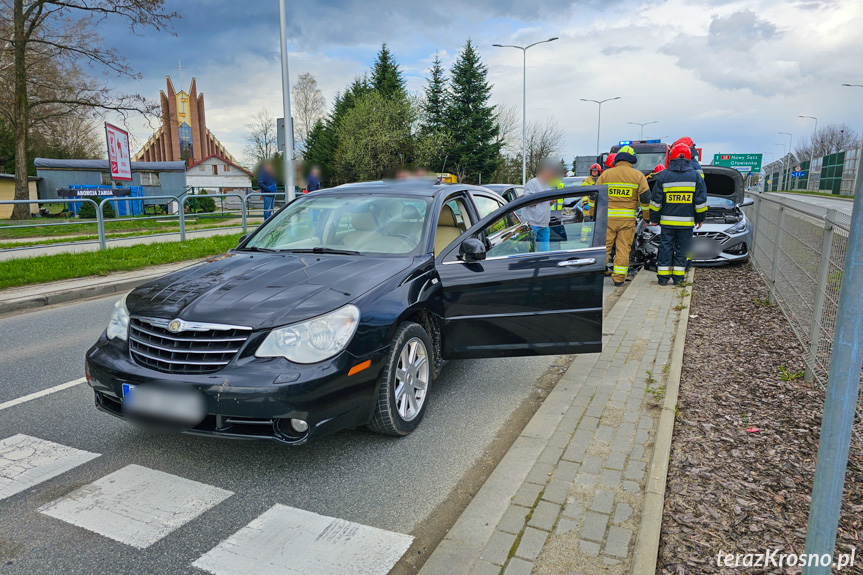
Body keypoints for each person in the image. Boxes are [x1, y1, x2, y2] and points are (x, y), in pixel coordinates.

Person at [649, 143, 707, 285]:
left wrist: (654, 219)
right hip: (686, 223)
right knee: (683, 249)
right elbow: (700, 201)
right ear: (688, 157)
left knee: (665, 247)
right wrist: (700, 218)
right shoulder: (695, 176)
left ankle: (663, 279)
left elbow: (656, 201)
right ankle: (678, 279)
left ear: (671, 157)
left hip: (667, 223)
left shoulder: (663, 176)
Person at [596, 145, 650, 286]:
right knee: (623, 249)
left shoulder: (605, 175)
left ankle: (595, 276)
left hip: (606, 220)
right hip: (627, 222)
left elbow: (594, 197)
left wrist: (592, 215)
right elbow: (645, 200)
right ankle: (618, 279)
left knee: (604, 248)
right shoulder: (638, 176)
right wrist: (647, 217)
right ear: (633, 160)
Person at [522, 159, 562, 252]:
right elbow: (527, 201)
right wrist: (543, 198)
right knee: (530, 253)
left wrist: (551, 202)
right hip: (532, 225)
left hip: (544, 225)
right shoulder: (533, 183)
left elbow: (545, 203)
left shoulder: (548, 185)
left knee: (544, 254)